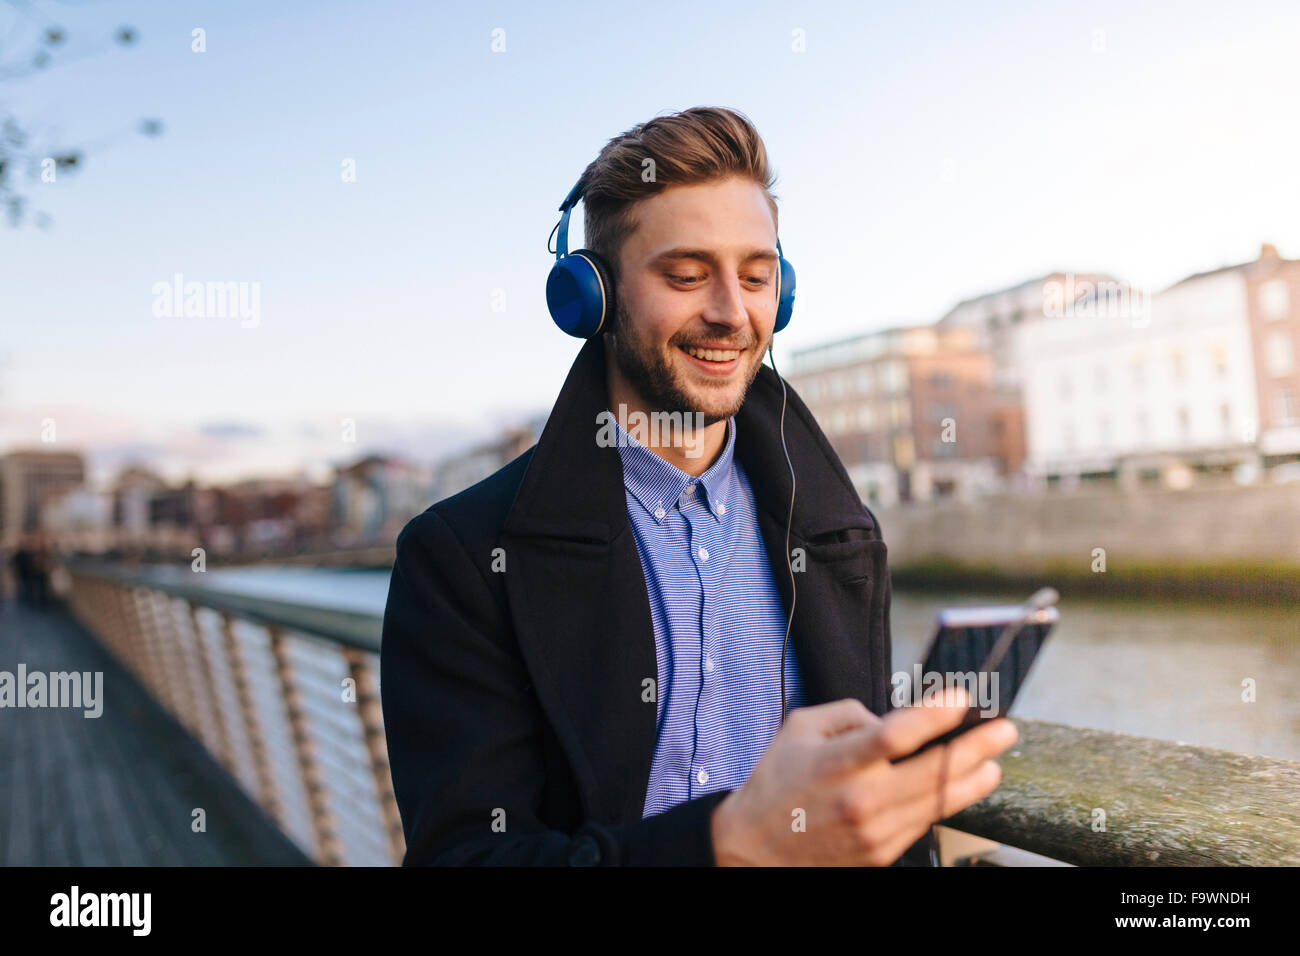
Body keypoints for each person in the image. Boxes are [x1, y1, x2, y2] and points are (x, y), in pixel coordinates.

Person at [380, 106, 1018, 866]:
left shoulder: (840, 533)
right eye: (685, 276)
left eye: (757, 277)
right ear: (593, 298)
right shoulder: (458, 558)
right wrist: (727, 845)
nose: (730, 313)